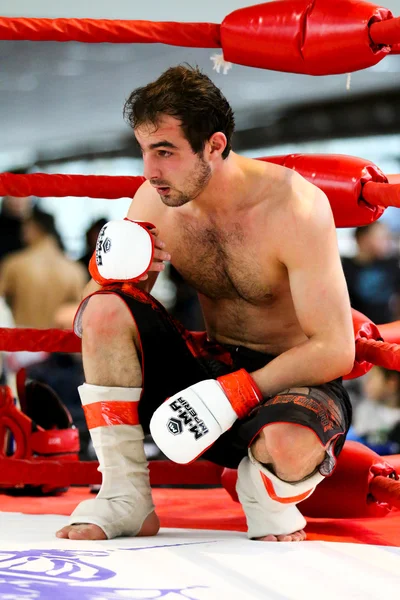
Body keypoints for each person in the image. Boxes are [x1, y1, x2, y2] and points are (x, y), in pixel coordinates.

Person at [56, 65, 355, 543]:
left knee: (291, 446)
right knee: (108, 307)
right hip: (205, 372)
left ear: (214, 146)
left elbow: (337, 349)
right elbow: (94, 319)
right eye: (144, 152)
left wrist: (238, 392)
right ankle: (124, 495)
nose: (150, 171)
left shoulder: (295, 207)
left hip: (289, 379)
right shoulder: (156, 201)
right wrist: (110, 276)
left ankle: (262, 485)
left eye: (165, 152)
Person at [0, 206, 87, 328]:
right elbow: (80, 314)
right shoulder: (75, 270)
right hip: (58, 344)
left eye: (25, 227)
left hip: (22, 342)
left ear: (33, 228)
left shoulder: (13, 264)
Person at [342, 222, 400, 325]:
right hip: (357, 330)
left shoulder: (391, 265)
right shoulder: (345, 267)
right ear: (362, 239)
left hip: (386, 329)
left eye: (387, 238)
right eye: (381, 238)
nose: (387, 242)